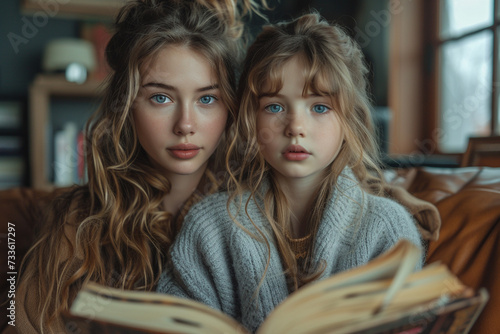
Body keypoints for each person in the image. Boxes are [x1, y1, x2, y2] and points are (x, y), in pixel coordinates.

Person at [156, 11, 424, 333]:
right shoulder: (209, 226)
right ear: (250, 118)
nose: (296, 127)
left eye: (320, 107)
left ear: (348, 119)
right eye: (275, 107)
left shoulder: (387, 228)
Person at [13, 0, 266, 333]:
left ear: (230, 108)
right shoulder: (77, 223)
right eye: (161, 98)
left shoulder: (256, 214)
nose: (185, 125)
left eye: (207, 99)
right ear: (127, 106)